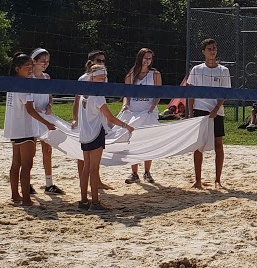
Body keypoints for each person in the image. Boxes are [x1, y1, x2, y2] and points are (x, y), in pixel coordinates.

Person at [72, 60, 134, 211]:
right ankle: (95, 202)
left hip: (85, 135)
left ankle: (83, 201)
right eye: (100, 78)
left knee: (86, 168)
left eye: (105, 77)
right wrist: (127, 126)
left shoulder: (83, 94)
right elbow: (111, 117)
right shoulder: (98, 96)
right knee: (93, 169)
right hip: (95, 135)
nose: (104, 80)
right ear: (92, 78)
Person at [5, 53, 59, 207]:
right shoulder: (25, 85)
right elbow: (30, 109)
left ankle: (16, 195)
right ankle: (27, 199)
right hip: (25, 129)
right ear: (17, 69)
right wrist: (46, 123)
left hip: (14, 129)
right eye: (26, 67)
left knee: (16, 163)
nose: (30, 69)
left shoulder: (10, 83)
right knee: (26, 165)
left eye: (31, 66)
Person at [186, 38, 231, 189]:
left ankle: (217, 180)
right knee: (198, 145)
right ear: (203, 52)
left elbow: (224, 94)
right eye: (210, 49)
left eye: (214, 48)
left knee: (219, 145)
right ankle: (198, 181)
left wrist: (215, 110)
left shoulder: (223, 71)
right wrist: (191, 112)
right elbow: (190, 92)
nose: (213, 51)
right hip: (200, 110)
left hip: (217, 112)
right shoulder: (197, 70)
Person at [120, 47, 162, 183]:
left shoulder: (155, 74)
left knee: (148, 142)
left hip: (148, 112)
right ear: (140, 58)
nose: (147, 61)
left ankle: (147, 172)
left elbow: (158, 94)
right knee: (133, 142)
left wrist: (153, 106)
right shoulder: (131, 75)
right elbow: (127, 95)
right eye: (145, 58)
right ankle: (134, 173)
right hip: (133, 112)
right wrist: (125, 105)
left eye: (150, 58)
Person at [29, 48, 65, 195]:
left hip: (45, 117)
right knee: (30, 152)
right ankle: (27, 183)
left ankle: (49, 184)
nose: (45, 64)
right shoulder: (29, 78)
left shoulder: (47, 77)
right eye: (42, 61)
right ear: (34, 61)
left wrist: (50, 105)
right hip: (32, 117)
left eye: (47, 61)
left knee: (47, 150)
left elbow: (49, 96)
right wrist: (34, 107)